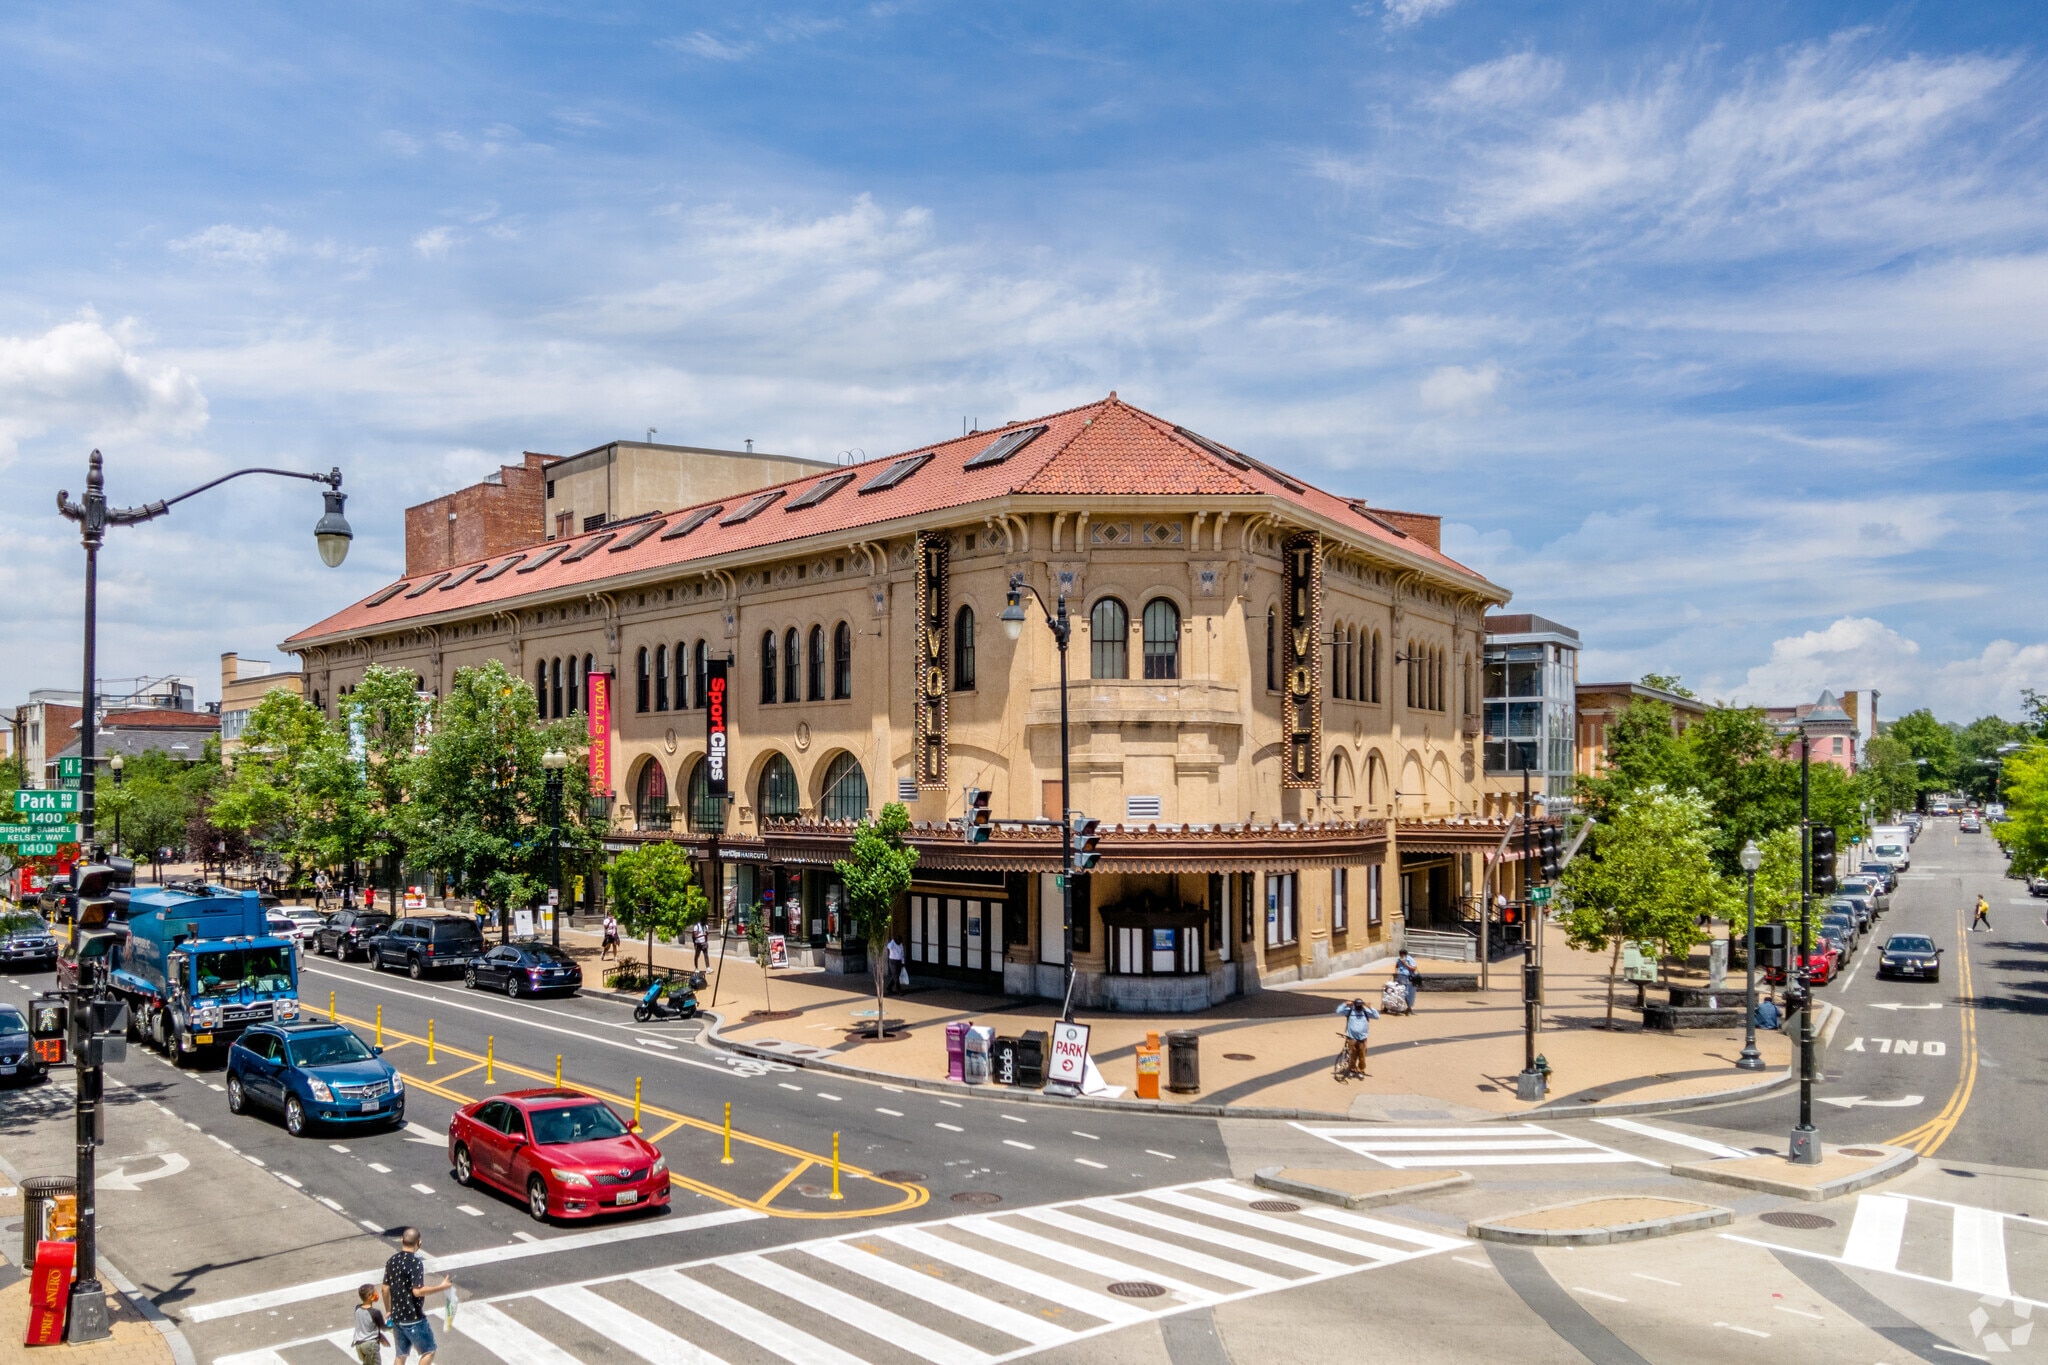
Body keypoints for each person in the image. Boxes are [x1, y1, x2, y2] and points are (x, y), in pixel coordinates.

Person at [382, 1227, 451, 1364]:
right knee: (429, 1350)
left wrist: (389, 1310)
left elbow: (384, 1289)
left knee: (401, 1355)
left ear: (401, 1240)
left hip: (397, 1318)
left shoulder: (392, 1261)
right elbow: (417, 1291)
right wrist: (441, 1287)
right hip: (413, 1318)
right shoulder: (415, 1263)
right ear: (419, 1243)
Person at [1335, 997, 1379, 1079]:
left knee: (1362, 1057)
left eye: (1360, 1005)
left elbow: (1377, 1016)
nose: (1359, 1007)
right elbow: (1338, 1011)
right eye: (1357, 1005)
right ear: (1354, 1005)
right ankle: (1352, 1070)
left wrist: (1369, 1007)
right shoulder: (1349, 1011)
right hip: (1352, 1038)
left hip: (1362, 1038)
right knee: (1352, 1055)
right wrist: (1345, 1003)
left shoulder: (1366, 1012)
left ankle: (1360, 1070)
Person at [351, 1283, 388, 1365]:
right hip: (370, 1345)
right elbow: (384, 1328)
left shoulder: (357, 1308)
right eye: (375, 1292)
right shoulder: (375, 1313)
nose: (377, 1294)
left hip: (359, 1345)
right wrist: (391, 1322)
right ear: (369, 1296)